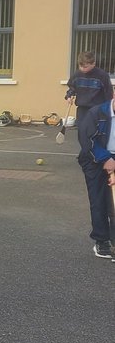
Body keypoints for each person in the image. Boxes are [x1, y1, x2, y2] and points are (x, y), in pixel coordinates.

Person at [79, 99, 115, 258]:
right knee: (98, 200)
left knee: (113, 203)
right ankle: (102, 241)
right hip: (94, 159)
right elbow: (86, 139)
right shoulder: (96, 113)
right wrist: (105, 159)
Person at [65, 50, 113, 157]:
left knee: (96, 133)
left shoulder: (102, 76)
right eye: (81, 66)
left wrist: (108, 109)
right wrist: (69, 96)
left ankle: (98, 154)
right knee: (82, 132)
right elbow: (72, 87)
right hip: (82, 108)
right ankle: (86, 153)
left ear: (93, 64)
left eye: (86, 67)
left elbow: (108, 94)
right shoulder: (77, 75)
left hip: (98, 109)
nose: (83, 69)